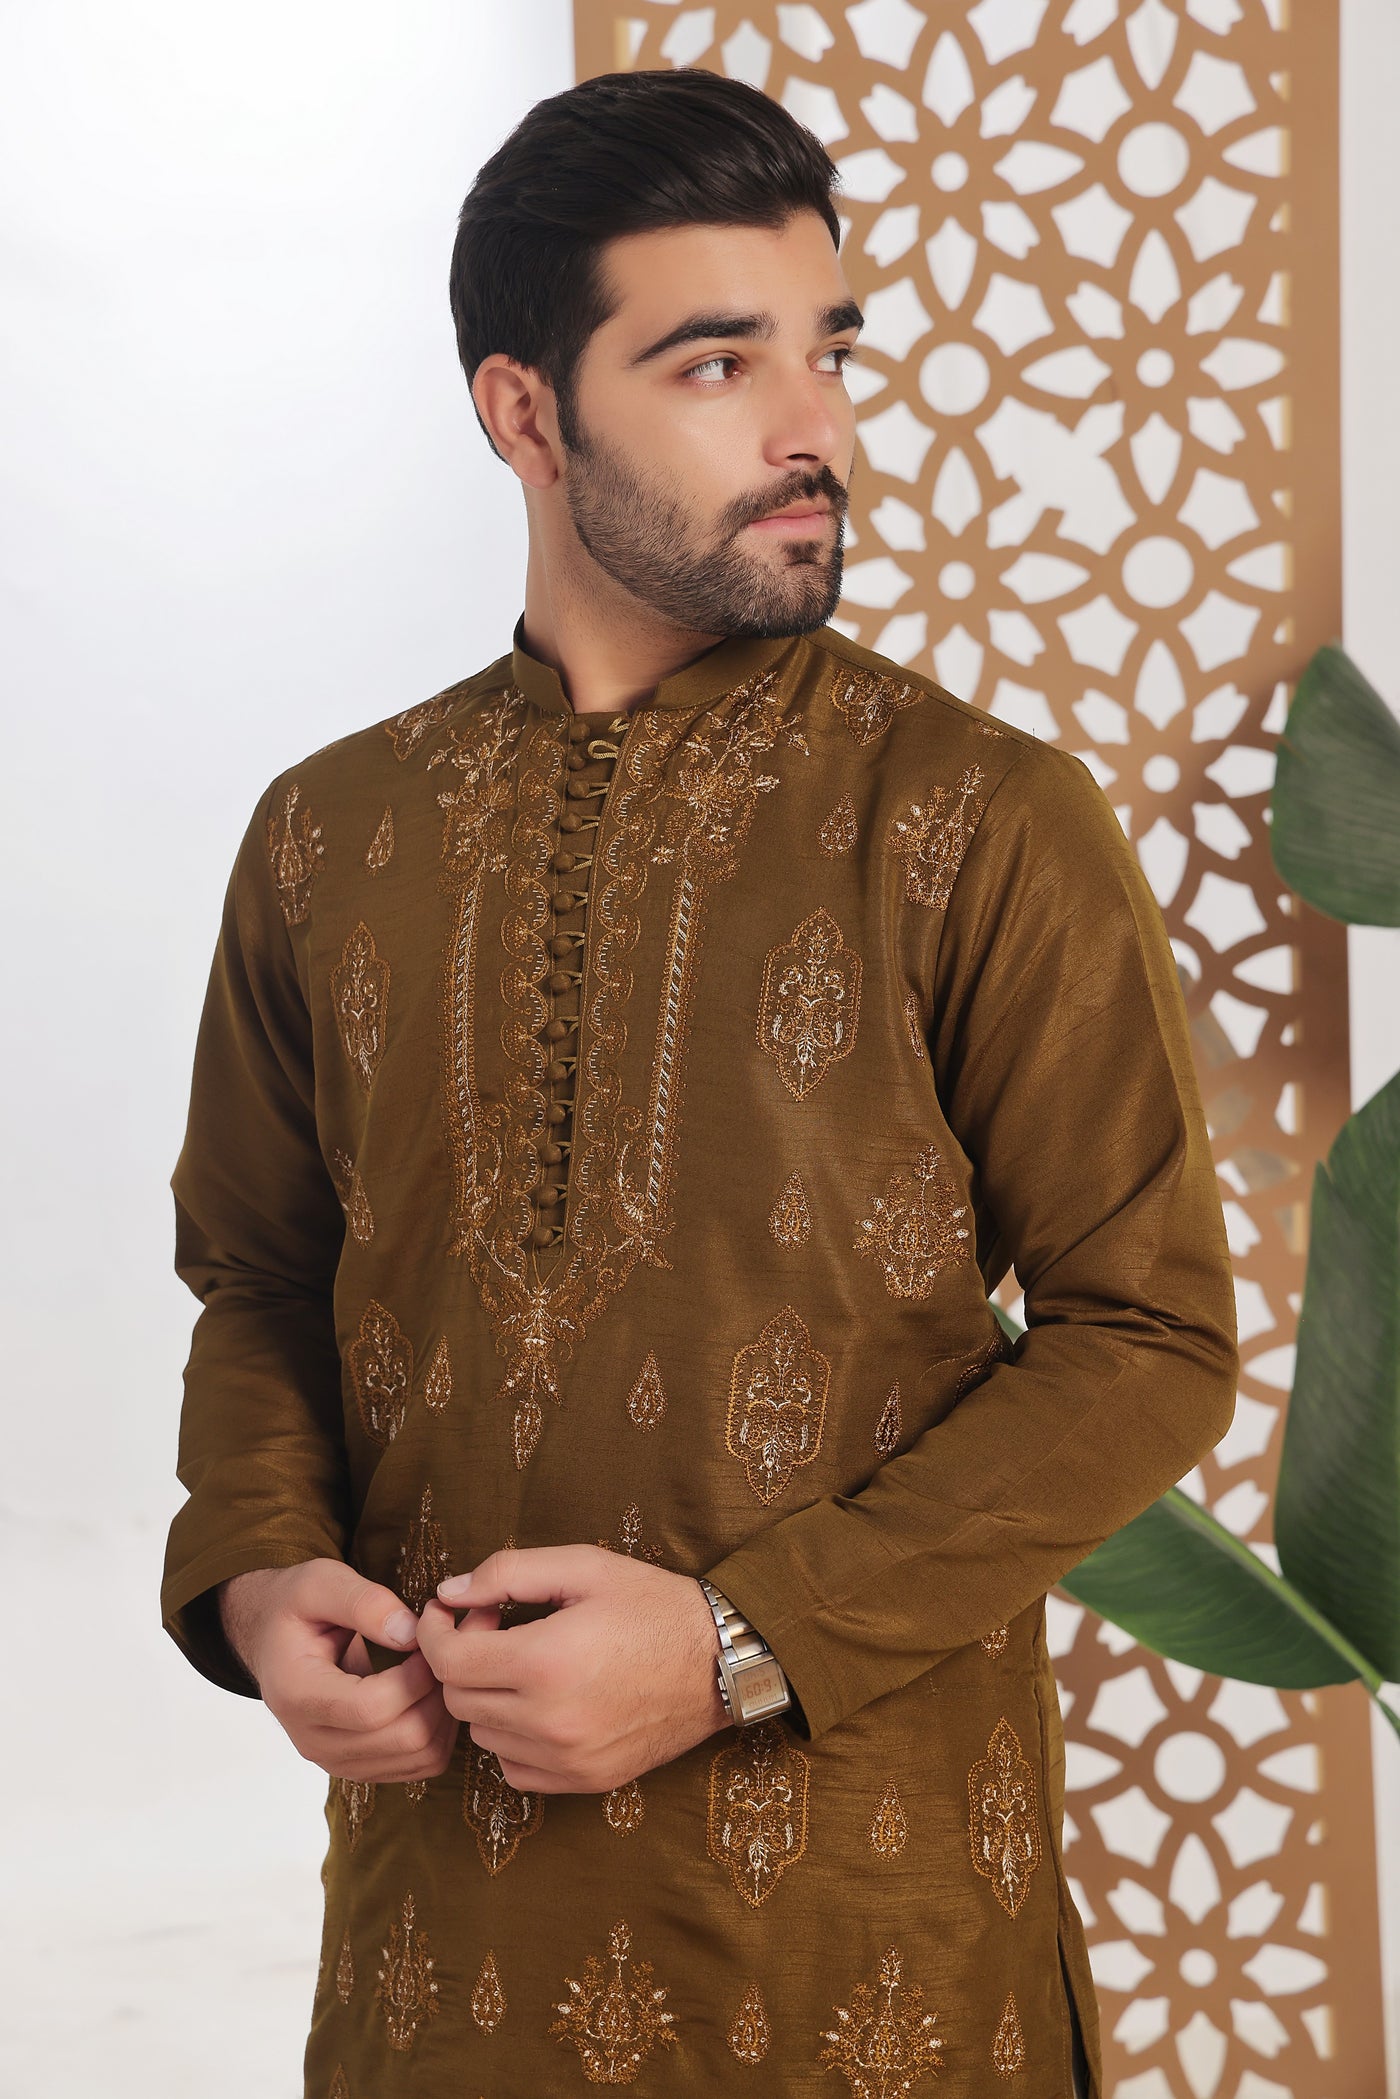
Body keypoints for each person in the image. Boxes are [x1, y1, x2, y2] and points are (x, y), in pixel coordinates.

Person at [161, 66, 1237, 2099]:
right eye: (718, 365)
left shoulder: (978, 820)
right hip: (440, 1963)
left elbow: (1148, 1338)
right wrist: (259, 1572)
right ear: (524, 414)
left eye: (829, 351)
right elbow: (262, 1279)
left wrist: (738, 1643)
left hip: (869, 1959)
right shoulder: (328, 838)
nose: (813, 428)